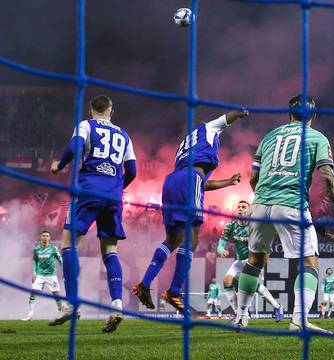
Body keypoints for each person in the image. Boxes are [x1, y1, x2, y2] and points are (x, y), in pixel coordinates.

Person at [235, 94, 334, 334]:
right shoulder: (317, 137)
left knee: (255, 259)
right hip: (291, 204)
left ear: (289, 115)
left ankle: (241, 316)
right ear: (313, 117)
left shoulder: (269, 136)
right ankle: (299, 320)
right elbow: (327, 176)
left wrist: (264, 198)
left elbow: (253, 177)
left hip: (260, 204)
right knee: (309, 262)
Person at [133, 110, 249, 312]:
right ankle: (174, 291)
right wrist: (240, 112)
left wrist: (228, 182)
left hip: (172, 182)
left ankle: (144, 284)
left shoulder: (184, 146)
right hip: (189, 181)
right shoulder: (207, 129)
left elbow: (200, 183)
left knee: (172, 241)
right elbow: (225, 119)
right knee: (192, 240)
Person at [49, 95, 137, 333]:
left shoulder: (86, 126)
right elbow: (133, 170)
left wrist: (59, 165)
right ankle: (117, 305)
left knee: (68, 245)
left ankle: (71, 303)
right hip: (113, 196)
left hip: (88, 190)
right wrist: (117, 187)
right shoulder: (124, 134)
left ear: (91, 110)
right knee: (110, 250)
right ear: (111, 111)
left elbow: (74, 148)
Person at [217, 201, 283, 321]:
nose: (240, 209)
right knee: (227, 281)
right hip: (239, 261)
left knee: (253, 286)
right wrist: (221, 250)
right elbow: (220, 244)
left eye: (244, 207)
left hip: (253, 260)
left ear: (249, 210)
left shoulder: (255, 225)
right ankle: (239, 314)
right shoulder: (230, 226)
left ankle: (277, 306)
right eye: (238, 207)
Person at [21, 230, 63, 321]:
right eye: (43, 235)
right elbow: (35, 262)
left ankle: (61, 311)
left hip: (51, 275)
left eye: (47, 236)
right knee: (33, 293)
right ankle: (30, 314)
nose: (45, 237)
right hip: (40, 275)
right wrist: (34, 274)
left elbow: (60, 259)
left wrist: (65, 270)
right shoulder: (36, 249)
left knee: (56, 294)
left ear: (49, 238)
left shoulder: (53, 248)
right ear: (41, 237)